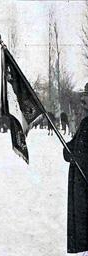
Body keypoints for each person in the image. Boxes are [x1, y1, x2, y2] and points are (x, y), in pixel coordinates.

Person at [63, 83, 88, 254]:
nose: (83, 100)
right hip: (82, 188)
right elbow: (70, 150)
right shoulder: (85, 123)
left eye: (86, 96)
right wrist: (67, 148)